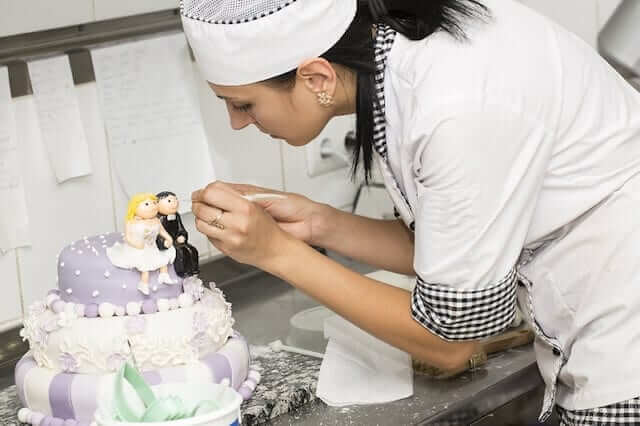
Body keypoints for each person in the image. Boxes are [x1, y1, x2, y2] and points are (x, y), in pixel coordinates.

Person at [182, 0, 640, 423]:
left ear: (316, 78)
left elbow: (451, 342)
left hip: (622, 336)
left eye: (243, 103)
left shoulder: (453, 103)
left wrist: (279, 254)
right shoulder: (401, 58)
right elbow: (447, 253)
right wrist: (321, 224)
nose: (237, 122)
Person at [107, 193, 177, 295]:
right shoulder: (131, 222)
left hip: (152, 248)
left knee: (163, 261)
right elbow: (127, 238)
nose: (153, 206)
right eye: (147, 204)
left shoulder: (156, 221)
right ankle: (143, 285)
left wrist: (169, 239)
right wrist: (136, 245)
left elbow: (163, 232)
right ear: (135, 207)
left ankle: (164, 276)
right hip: (138, 249)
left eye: (154, 203)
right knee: (145, 267)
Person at [156, 191, 200, 277]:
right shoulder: (157, 219)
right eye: (169, 201)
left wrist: (182, 235)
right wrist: (163, 242)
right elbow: (157, 234)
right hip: (167, 243)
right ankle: (182, 272)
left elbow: (181, 228)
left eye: (176, 199)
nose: (175, 203)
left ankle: (194, 269)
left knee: (191, 250)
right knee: (179, 253)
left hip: (177, 240)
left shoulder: (176, 215)